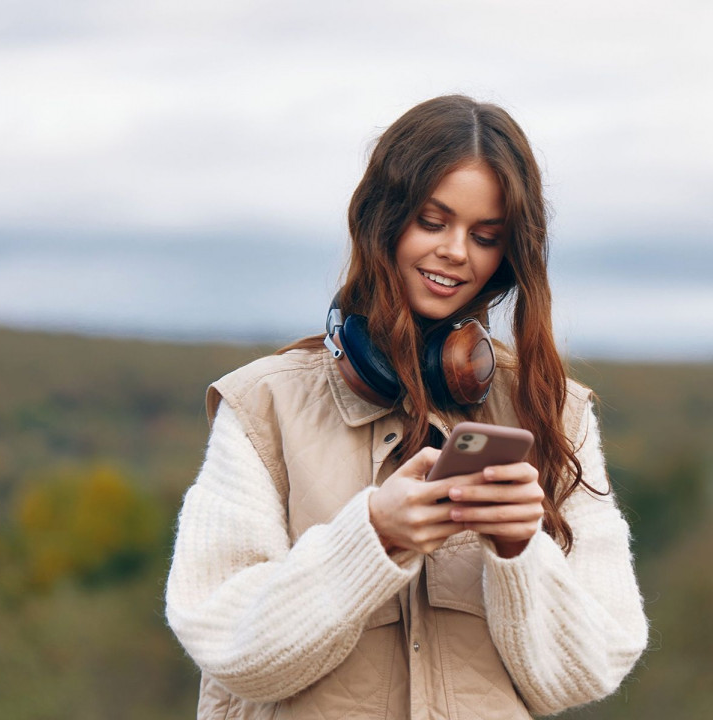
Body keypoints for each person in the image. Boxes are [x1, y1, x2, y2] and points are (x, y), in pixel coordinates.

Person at [166, 95, 648, 719]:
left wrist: (517, 550)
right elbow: (231, 649)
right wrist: (373, 538)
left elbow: (589, 670)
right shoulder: (263, 405)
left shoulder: (553, 411)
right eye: (432, 221)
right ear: (382, 220)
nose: (456, 251)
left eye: (484, 236)